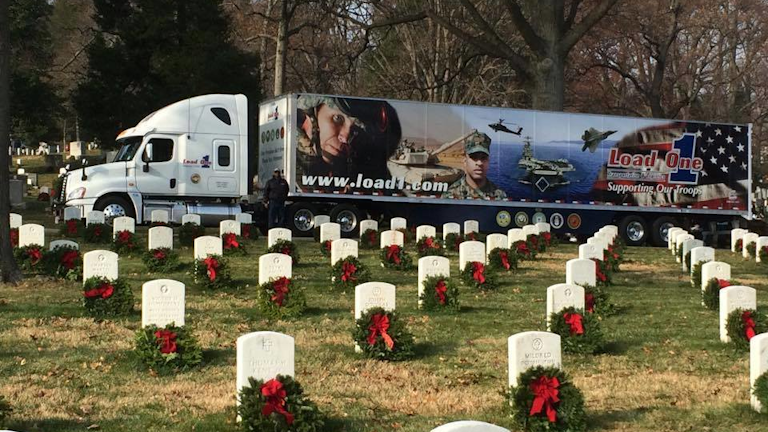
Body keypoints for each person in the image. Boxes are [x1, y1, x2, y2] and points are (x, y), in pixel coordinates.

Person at [295, 96, 401, 191]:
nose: (345, 138)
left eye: (356, 130)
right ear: (311, 117)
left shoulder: (367, 174)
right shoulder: (291, 164)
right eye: (337, 118)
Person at [442, 131, 507, 200]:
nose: (479, 163)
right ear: (465, 161)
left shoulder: (499, 196)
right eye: (474, 157)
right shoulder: (450, 196)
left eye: (483, 158)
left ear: (488, 161)